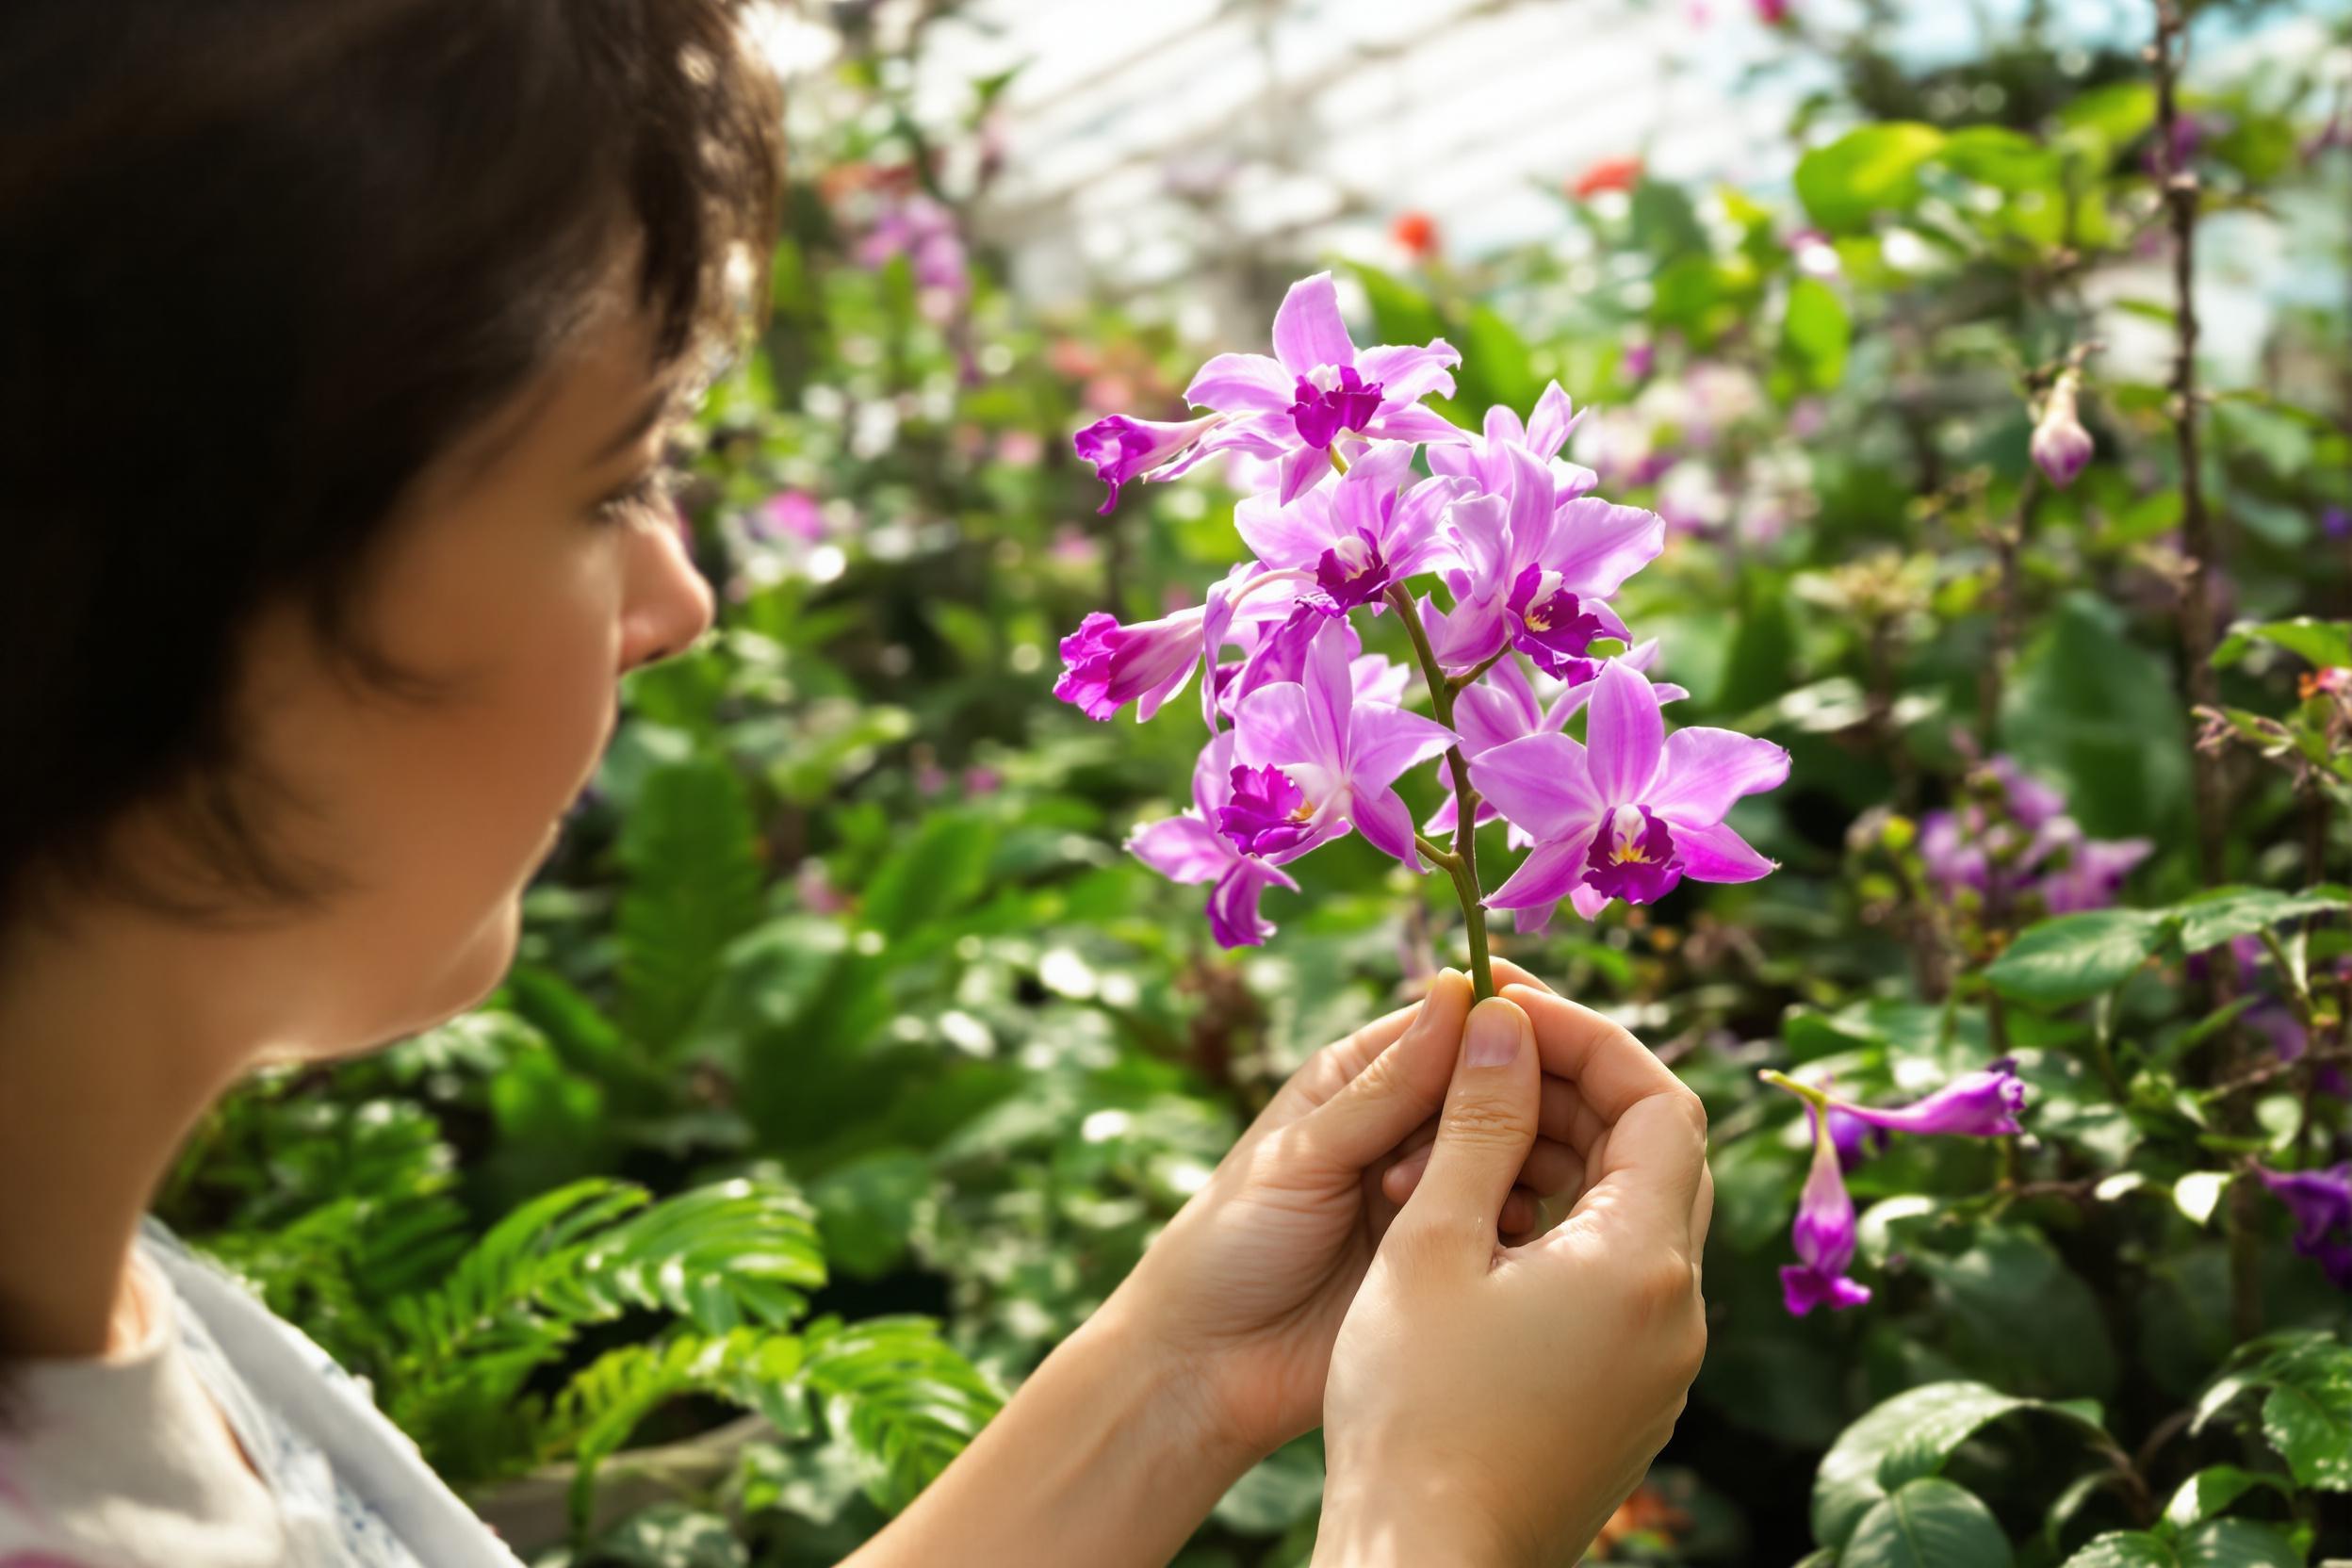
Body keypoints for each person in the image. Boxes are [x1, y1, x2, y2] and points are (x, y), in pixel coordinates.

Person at [0, 3, 1711, 1564]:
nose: (683, 605)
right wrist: (1441, 1520)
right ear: (156, 566)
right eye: (614, 483)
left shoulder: (122, 1324)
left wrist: (1180, 1372)